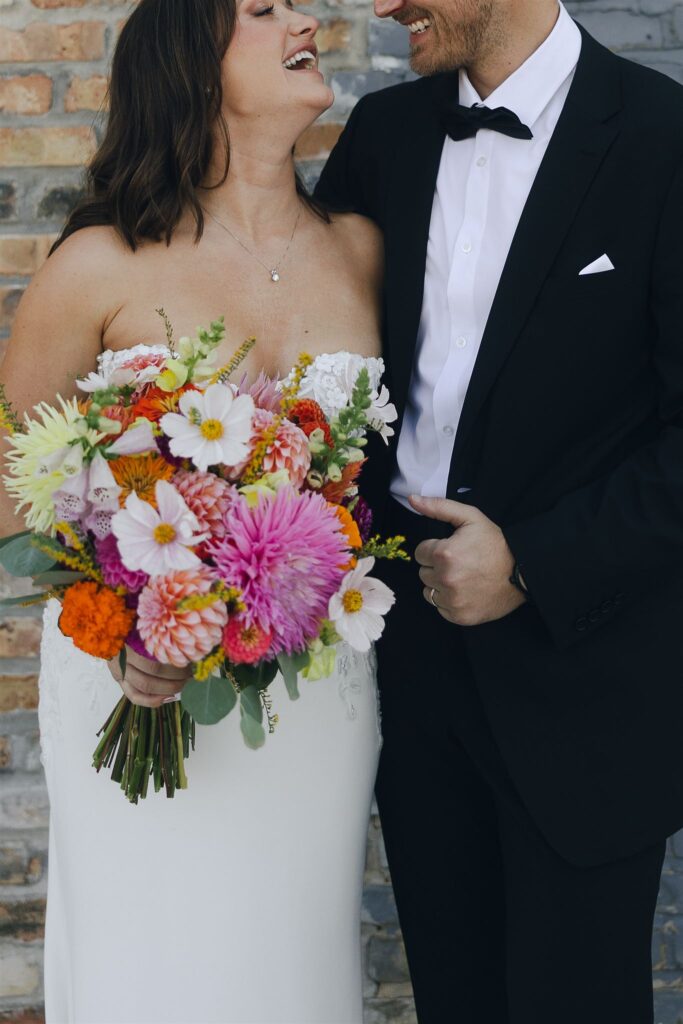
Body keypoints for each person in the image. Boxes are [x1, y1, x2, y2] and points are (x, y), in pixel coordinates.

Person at [0, 0, 387, 1020]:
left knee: (293, 958)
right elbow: (18, 489)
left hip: (313, 689)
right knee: (155, 958)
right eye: (264, 11)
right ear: (190, 64)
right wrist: (137, 606)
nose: (306, 20)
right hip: (137, 681)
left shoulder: (359, 251)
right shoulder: (96, 266)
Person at [316, 1, 683, 1021]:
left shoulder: (662, 138)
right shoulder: (380, 136)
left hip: (586, 684)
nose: (385, 5)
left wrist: (531, 560)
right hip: (413, 671)